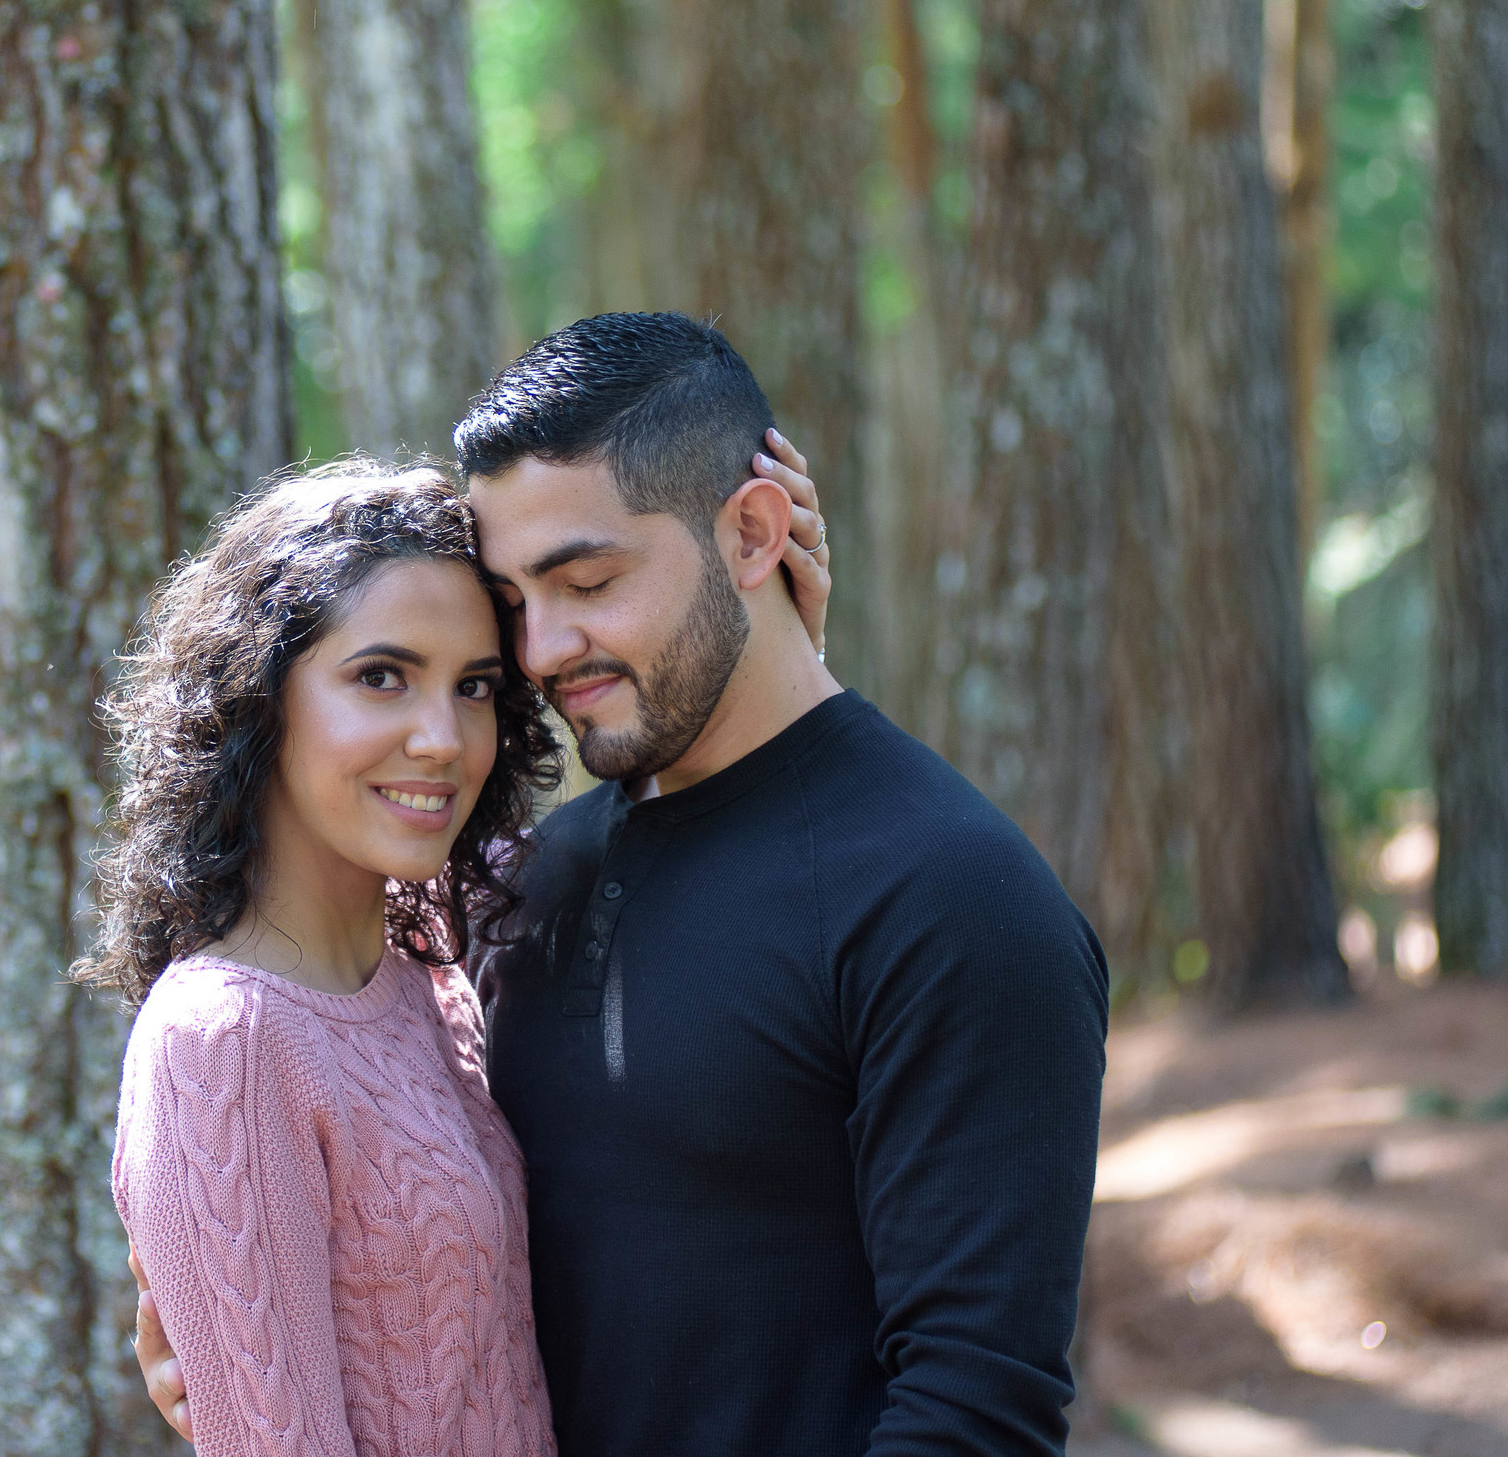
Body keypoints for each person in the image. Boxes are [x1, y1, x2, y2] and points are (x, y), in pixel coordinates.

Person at [132, 311, 1110, 1455]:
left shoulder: (952, 897)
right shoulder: (521, 888)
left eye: (586, 580)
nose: (543, 651)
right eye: (515, 607)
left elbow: (972, 1416)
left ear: (753, 534)